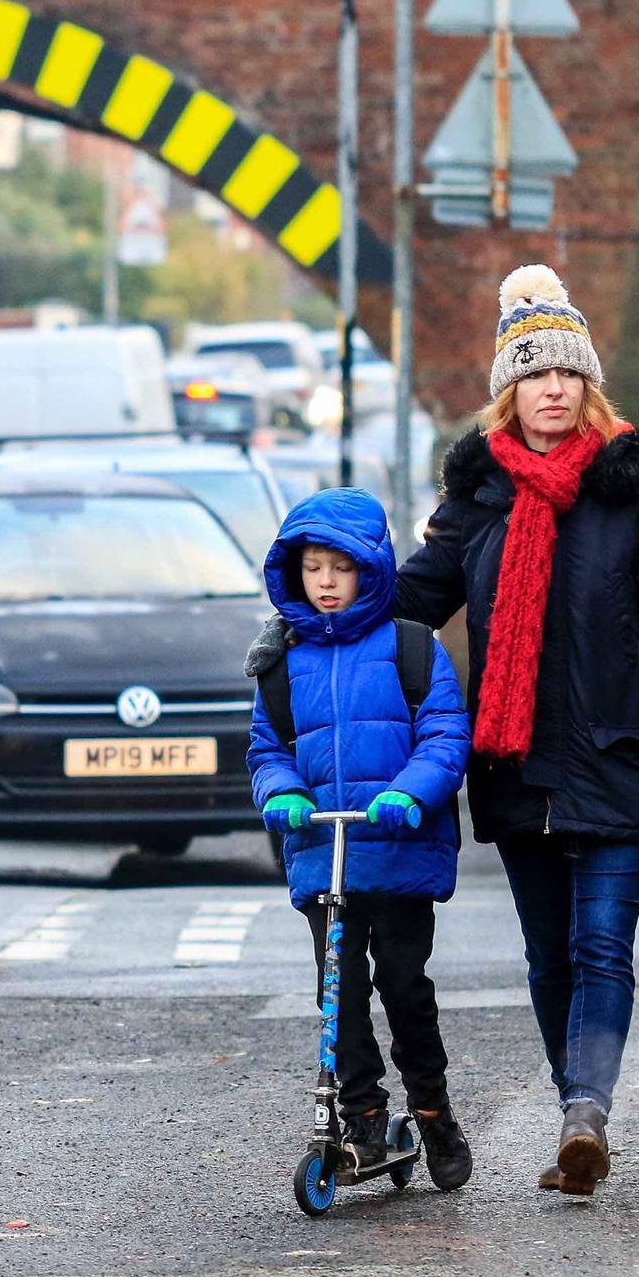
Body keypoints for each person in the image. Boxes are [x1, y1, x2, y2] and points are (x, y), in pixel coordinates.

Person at [248, 264, 639, 1196]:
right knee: (547, 956)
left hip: (620, 758)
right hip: (513, 767)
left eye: (566, 374)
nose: (551, 389)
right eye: (532, 374)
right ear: (507, 393)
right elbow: (411, 602)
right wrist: (302, 625)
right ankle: (574, 1111)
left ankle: (585, 1109)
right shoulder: (478, 500)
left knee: (600, 947)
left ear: (587, 387)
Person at [249, 486, 476, 1191]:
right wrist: (282, 792)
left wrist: (411, 791)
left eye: (338, 569)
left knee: (403, 987)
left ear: (368, 570)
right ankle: (362, 1112)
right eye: (312, 568)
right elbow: (268, 747)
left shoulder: (411, 647)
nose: (324, 582)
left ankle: (433, 1111)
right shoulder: (280, 660)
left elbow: (443, 732)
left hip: (397, 849)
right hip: (326, 853)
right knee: (337, 991)